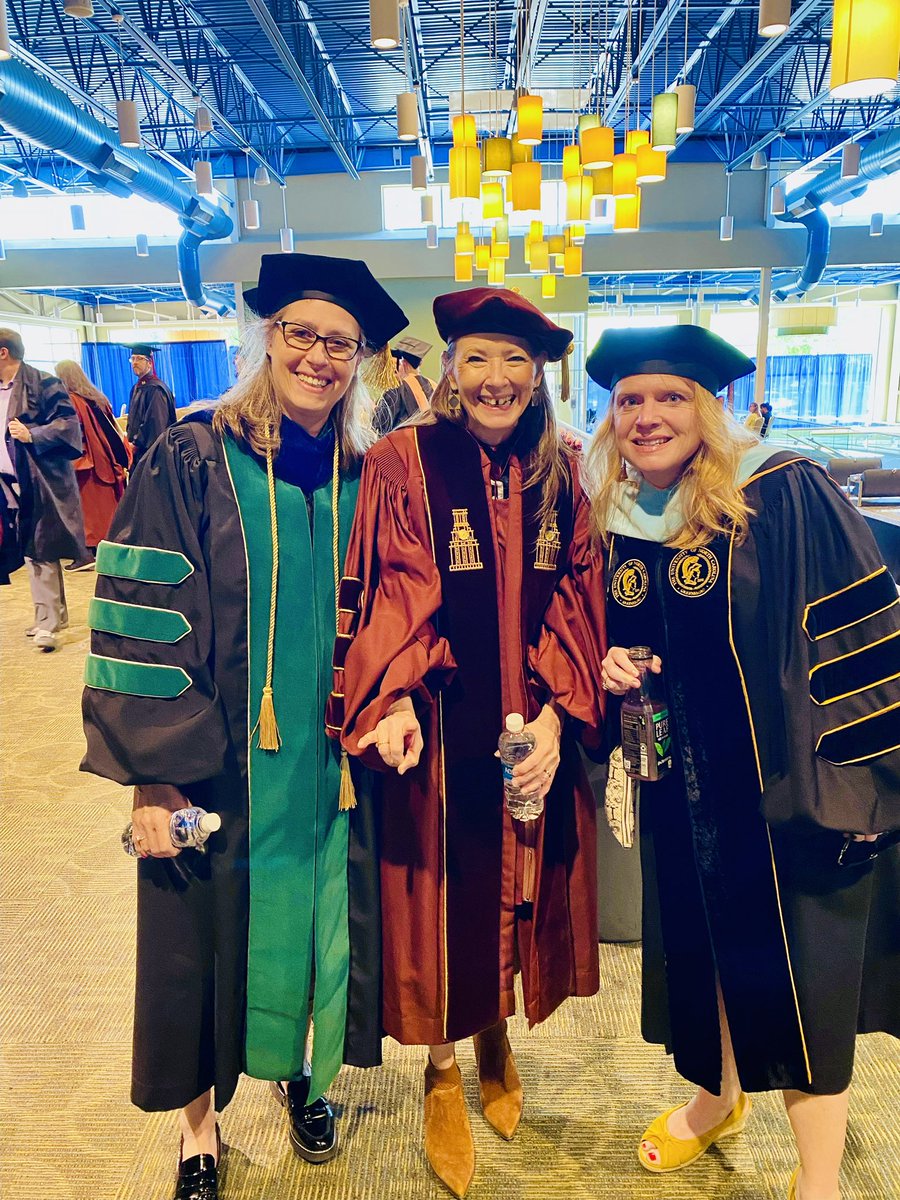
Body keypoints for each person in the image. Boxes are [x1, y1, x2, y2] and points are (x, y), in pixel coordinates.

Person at [81, 253, 409, 1200]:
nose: (317, 356)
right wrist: (155, 775)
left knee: (324, 918)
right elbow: (141, 612)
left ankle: (308, 1078)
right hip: (217, 760)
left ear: (359, 359)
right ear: (266, 336)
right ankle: (198, 1131)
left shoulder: (367, 472)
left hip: (335, 760)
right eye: (300, 334)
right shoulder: (190, 455)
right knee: (196, 932)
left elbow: (399, 603)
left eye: (339, 343)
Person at [583, 324, 900, 1200]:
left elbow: (860, 631)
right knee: (698, 950)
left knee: (797, 974)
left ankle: (820, 1176)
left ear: (714, 408)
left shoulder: (782, 491)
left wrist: (844, 780)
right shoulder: (618, 510)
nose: (648, 417)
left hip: (783, 788)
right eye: (631, 401)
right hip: (678, 785)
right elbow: (632, 634)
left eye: (672, 397)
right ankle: (714, 1100)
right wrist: (616, 660)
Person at [332, 287, 605, 1199]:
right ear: (449, 366)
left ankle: (495, 1032)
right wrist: (396, 696)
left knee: (520, 879)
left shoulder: (565, 464)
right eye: (478, 357)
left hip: (532, 727)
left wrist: (563, 715)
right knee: (439, 900)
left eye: (515, 361)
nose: (496, 378)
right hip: (443, 735)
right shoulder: (404, 462)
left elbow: (577, 599)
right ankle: (444, 1068)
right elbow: (392, 593)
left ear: (538, 375)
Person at [0, 327, 86, 651]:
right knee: (30, 549)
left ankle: (49, 623)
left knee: (42, 548)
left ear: (3, 353)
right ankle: (50, 616)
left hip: (42, 479)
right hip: (10, 482)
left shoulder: (42, 382)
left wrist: (32, 434)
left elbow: (68, 425)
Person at [55, 359, 130, 571]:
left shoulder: (71, 401)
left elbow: (71, 434)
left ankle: (86, 555)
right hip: (107, 459)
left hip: (87, 463)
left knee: (88, 513)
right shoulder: (97, 398)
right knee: (106, 509)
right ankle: (109, 550)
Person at [373, 335, 436, 434]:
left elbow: (379, 428)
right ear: (420, 364)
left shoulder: (396, 390)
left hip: (406, 445)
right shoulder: (435, 386)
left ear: (404, 363)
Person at [125, 343, 176, 465]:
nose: (135, 362)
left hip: (152, 455)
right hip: (138, 454)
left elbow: (155, 425)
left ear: (150, 363)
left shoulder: (156, 389)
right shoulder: (136, 388)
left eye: (140, 359)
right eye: (133, 358)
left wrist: (136, 444)